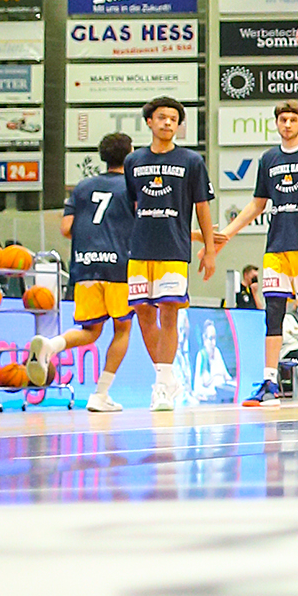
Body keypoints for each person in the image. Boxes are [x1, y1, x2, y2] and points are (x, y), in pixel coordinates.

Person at [210, 101, 298, 405]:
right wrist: (227, 233)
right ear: (277, 123)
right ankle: (269, 383)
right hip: (278, 247)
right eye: (283, 119)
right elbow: (257, 204)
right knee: (273, 314)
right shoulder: (269, 159)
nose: (287, 124)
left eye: (293, 119)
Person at [28, 132, 136, 411]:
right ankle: (101, 394)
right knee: (123, 329)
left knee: (90, 330)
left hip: (85, 265)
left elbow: (66, 228)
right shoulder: (132, 185)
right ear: (130, 154)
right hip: (119, 267)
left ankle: (51, 345)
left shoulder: (83, 186)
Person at [121, 98, 216, 413]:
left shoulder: (191, 161)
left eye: (173, 119)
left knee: (169, 312)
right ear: (149, 121)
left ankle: (161, 386)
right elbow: (133, 206)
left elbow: (202, 206)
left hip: (174, 248)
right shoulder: (133, 161)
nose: (167, 123)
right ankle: (167, 375)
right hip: (140, 248)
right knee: (143, 313)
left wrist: (210, 249)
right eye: (162, 117)